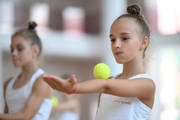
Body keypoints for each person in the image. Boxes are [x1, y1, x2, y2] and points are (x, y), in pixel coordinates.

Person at [42, 4, 156, 120]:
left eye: (124, 38)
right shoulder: (108, 82)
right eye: (112, 39)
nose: (116, 45)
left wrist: (74, 88)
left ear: (143, 42)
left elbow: (105, 86)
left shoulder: (147, 85)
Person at [0, 21, 52, 120]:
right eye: (12, 49)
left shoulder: (42, 81)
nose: (14, 53)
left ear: (35, 51)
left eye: (19, 49)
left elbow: (25, 116)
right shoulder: (8, 84)